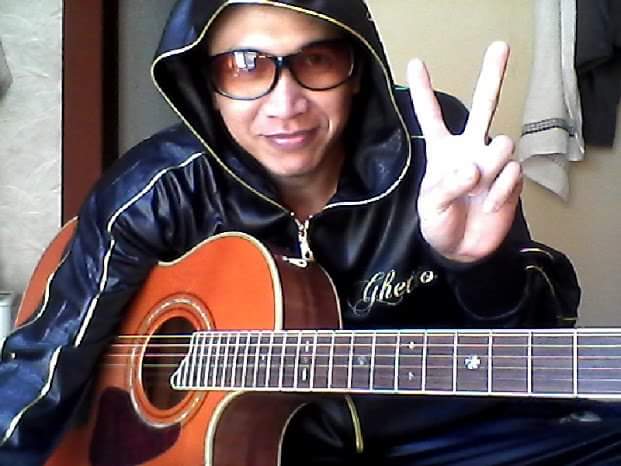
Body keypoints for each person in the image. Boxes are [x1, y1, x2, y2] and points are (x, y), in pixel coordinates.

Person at [1, 0, 619, 464]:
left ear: (357, 70)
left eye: (316, 60)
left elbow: (531, 341)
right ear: (206, 86)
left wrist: (474, 264)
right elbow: (45, 361)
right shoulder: (157, 189)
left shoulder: (440, 149)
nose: (285, 104)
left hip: (445, 435)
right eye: (246, 66)